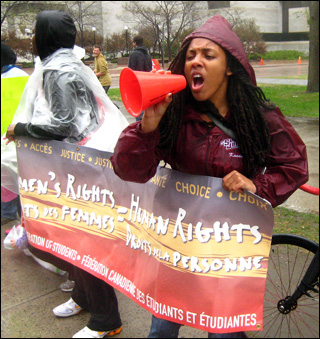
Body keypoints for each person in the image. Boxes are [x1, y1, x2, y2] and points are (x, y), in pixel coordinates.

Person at [110, 15, 308, 338]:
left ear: (229, 66)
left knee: (224, 333)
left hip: (228, 254)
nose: (195, 62)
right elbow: (126, 168)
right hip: (178, 247)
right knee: (161, 330)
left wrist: (257, 186)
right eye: (190, 56)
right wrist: (147, 127)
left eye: (207, 55)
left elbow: (295, 165)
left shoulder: (257, 117)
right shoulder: (174, 114)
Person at [4, 10, 127, 339]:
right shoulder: (67, 63)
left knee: (79, 242)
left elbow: (64, 124)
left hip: (77, 169)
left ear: (46, 34)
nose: (31, 38)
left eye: (35, 31)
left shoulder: (58, 69)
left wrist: (22, 129)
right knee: (68, 240)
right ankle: (84, 297)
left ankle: (105, 319)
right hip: (78, 165)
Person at [1, 43, 28, 225]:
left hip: (9, 133)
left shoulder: (7, 78)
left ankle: (9, 211)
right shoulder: (24, 76)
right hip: (20, 132)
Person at [128, 35, 153, 121]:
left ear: (135, 43)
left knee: (138, 108)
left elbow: (130, 71)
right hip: (147, 84)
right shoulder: (147, 55)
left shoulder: (134, 54)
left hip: (137, 84)